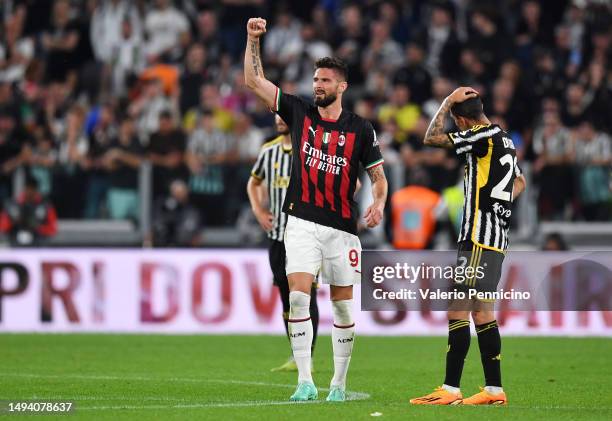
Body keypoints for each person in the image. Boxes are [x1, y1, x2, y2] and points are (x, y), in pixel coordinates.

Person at [244, 18, 388, 402]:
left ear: (342, 86)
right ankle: (305, 381)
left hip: (342, 228)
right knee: (297, 297)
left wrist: (379, 202)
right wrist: (252, 40)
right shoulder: (298, 113)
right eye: (315, 80)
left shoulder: (361, 129)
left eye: (325, 80)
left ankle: (337, 385)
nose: (317, 86)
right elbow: (254, 83)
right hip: (301, 222)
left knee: (342, 306)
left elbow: (378, 177)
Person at [410, 87, 526, 406]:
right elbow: (520, 182)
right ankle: (493, 390)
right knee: (483, 312)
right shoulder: (505, 139)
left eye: (456, 119)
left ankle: (449, 389)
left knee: (458, 309)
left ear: (462, 120)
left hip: (476, 236)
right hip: (497, 236)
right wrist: (498, 205)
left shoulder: (479, 134)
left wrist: (446, 101)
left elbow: (431, 138)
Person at [247, 115, 320, 372]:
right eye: (276, 115)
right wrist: (258, 210)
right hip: (277, 236)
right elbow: (253, 182)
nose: (279, 119)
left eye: (284, 114)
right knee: (286, 299)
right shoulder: (269, 151)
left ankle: (307, 356)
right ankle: (296, 354)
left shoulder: (311, 150)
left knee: (305, 295)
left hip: (306, 237)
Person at [0, 176, 57, 246]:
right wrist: (14, 221)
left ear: (36, 190)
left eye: (32, 189)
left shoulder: (46, 206)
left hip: (38, 244)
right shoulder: (12, 205)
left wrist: (38, 228)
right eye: (28, 188)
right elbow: (3, 227)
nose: (30, 191)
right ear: (24, 188)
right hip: (15, 243)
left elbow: (52, 229)